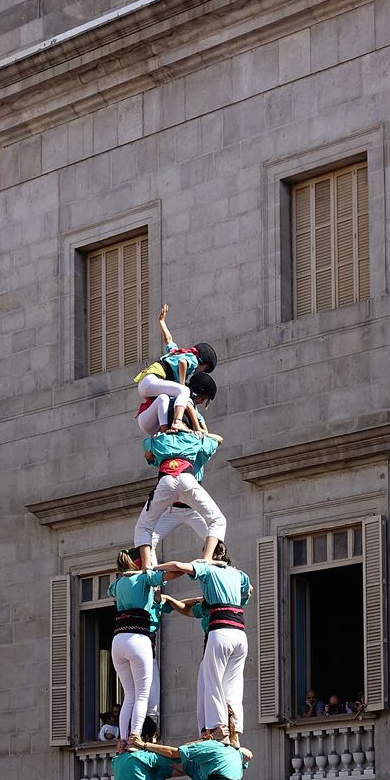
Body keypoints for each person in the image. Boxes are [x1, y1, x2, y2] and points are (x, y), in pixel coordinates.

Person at [160, 547, 252, 739]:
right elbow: (248, 591)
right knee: (233, 687)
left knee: (212, 684)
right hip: (240, 635)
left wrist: (151, 568)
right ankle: (234, 732)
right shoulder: (237, 574)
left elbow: (177, 566)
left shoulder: (208, 569)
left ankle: (217, 727)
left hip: (220, 634)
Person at [134, 421, 225, 570]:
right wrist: (196, 433)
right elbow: (218, 439)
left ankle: (147, 568)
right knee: (218, 520)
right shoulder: (194, 438)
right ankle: (207, 559)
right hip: (186, 480)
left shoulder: (159, 439)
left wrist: (159, 437)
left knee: (144, 527)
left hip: (166, 482)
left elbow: (147, 452)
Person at [108, 551, 167, 744]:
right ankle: (135, 736)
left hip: (118, 640)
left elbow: (110, 591)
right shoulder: (143, 578)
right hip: (138, 638)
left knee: (129, 695)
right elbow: (164, 576)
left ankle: (123, 739)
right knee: (142, 694)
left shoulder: (117, 583)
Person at [134, 304, 216, 436]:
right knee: (183, 391)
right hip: (152, 379)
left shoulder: (177, 352)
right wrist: (181, 385)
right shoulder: (193, 360)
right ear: (204, 362)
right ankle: (177, 421)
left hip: (146, 383)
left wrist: (161, 321)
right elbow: (183, 363)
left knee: (164, 398)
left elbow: (168, 340)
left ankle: (164, 429)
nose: (199, 372)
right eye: (204, 369)